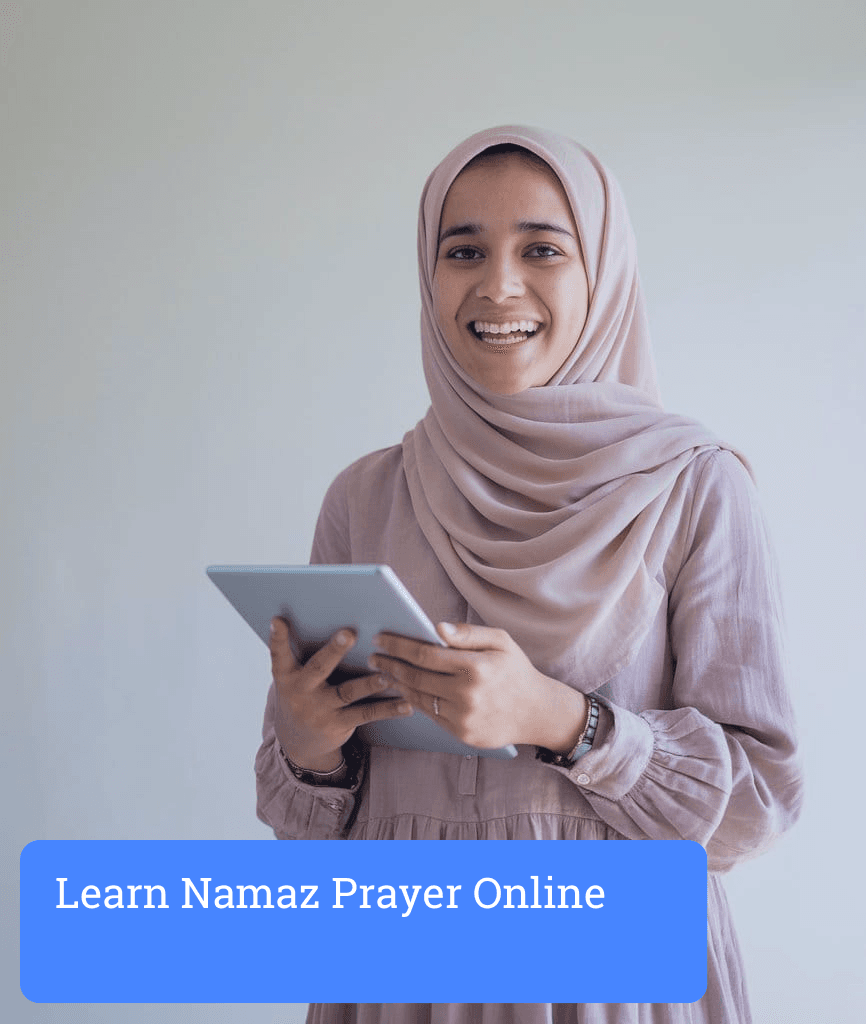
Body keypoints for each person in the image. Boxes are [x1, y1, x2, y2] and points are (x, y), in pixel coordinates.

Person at [256, 125, 803, 1024]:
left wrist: (562, 720)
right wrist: (309, 745)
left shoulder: (695, 486)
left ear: (604, 273)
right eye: (462, 249)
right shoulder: (366, 494)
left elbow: (758, 805)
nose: (498, 283)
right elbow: (302, 824)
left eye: (543, 249)